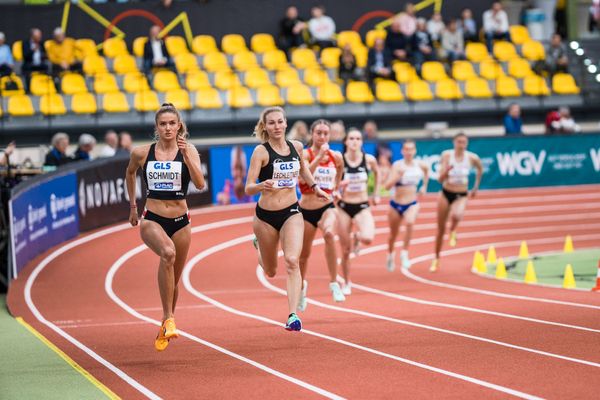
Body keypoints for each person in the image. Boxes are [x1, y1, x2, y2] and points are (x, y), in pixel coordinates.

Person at [126, 103, 206, 351]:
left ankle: (165, 323)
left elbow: (200, 184)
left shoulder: (188, 149)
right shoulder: (142, 153)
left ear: (179, 125)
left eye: (172, 123)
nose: (168, 128)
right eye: (163, 124)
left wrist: (186, 157)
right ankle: (168, 318)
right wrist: (133, 207)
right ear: (156, 127)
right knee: (167, 253)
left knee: (174, 282)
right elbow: (129, 174)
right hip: (152, 219)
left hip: (182, 221)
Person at [245, 107, 328, 331]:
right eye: (271, 123)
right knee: (271, 271)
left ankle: (292, 315)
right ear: (265, 127)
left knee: (292, 260)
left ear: (285, 123)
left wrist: (315, 187)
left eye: (280, 122)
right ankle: (259, 248)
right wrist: (261, 185)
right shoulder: (260, 152)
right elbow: (248, 187)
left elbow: (303, 169)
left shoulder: (296, 146)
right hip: (265, 217)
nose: (277, 126)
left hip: (292, 211)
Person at [298, 119, 345, 311]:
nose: (323, 136)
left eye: (326, 133)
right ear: (312, 134)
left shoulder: (337, 157)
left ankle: (334, 283)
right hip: (306, 208)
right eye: (319, 133)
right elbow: (304, 177)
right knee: (303, 255)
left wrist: (336, 186)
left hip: (327, 206)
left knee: (328, 234)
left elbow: (340, 171)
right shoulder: (305, 154)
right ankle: (301, 288)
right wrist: (319, 157)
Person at [431, 132, 483, 272]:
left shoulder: (472, 158)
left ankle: (453, 229)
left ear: (466, 144)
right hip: (446, 192)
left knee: (457, 215)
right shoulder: (447, 156)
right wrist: (446, 172)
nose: (461, 145)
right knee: (440, 229)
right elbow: (440, 179)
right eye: (459, 142)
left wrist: (475, 188)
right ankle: (436, 258)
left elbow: (480, 169)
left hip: (462, 193)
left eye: (464, 142)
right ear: (454, 142)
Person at [336, 128, 379, 294]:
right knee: (345, 251)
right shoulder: (340, 160)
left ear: (362, 142)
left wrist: (375, 193)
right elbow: (334, 181)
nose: (355, 141)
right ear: (346, 141)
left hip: (362, 204)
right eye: (351, 138)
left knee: (368, 238)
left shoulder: (369, 160)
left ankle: (358, 237)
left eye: (358, 138)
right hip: (344, 207)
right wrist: (338, 188)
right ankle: (346, 282)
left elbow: (377, 172)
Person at [384, 140, 429, 271]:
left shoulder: (420, 165)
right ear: (402, 151)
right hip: (396, 204)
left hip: (412, 203)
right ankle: (390, 255)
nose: (409, 152)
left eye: (411, 149)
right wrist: (398, 176)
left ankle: (404, 253)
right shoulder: (397, 166)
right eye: (406, 149)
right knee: (393, 234)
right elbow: (386, 186)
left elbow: (427, 172)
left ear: (415, 151)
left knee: (410, 222)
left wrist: (424, 187)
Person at [21, 28, 49, 93]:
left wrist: (44, 55)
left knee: (47, 67)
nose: (40, 38)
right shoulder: (26, 43)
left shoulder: (41, 43)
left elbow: (44, 54)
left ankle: (47, 87)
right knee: (26, 69)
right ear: (33, 36)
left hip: (40, 64)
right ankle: (28, 89)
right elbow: (25, 56)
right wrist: (33, 50)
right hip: (30, 63)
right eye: (38, 36)